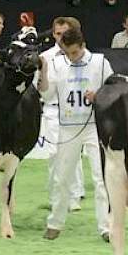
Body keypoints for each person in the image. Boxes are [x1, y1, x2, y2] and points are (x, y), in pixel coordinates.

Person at [37, 28, 114, 242]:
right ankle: (55, 222)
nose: (71, 57)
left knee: (101, 178)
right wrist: (42, 72)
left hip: (94, 125)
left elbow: (114, 89)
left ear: (83, 45)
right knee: (63, 177)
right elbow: (47, 93)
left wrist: (99, 95)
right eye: (67, 53)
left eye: (74, 52)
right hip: (68, 126)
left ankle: (106, 227)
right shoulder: (57, 63)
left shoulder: (100, 62)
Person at [38, 16, 85, 212]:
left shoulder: (81, 55)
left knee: (74, 155)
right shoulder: (46, 57)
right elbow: (39, 86)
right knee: (54, 155)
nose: (60, 37)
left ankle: (74, 196)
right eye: (57, 34)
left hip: (74, 110)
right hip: (52, 109)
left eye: (64, 33)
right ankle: (56, 197)